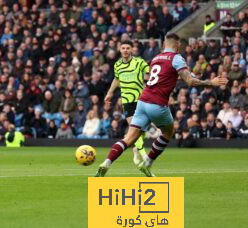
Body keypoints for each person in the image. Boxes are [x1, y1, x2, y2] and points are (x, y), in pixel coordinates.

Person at [95, 33, 228, 177]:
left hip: (142, 101)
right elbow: (189, 81)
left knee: (129, 138)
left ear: (164, 45)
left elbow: (166, 77)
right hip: (157, 104)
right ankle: (147, 163)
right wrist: (211, 82)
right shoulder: (176, 58)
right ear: (177, 45)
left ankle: (106, 162)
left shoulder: (156, 58)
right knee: (168, 132)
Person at [104, 40, 150, 171]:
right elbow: (116, 79)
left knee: (141, 131)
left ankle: (135, 152)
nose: (125, 50)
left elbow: (151, 73)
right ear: (119, 49)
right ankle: (144, 156)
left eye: (127, 48)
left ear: (131, 50)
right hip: (127, 101)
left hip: (142, 99)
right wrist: (109, 93)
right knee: (134, 128)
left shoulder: (140, 62)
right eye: (123, 48)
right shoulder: (117, 65)